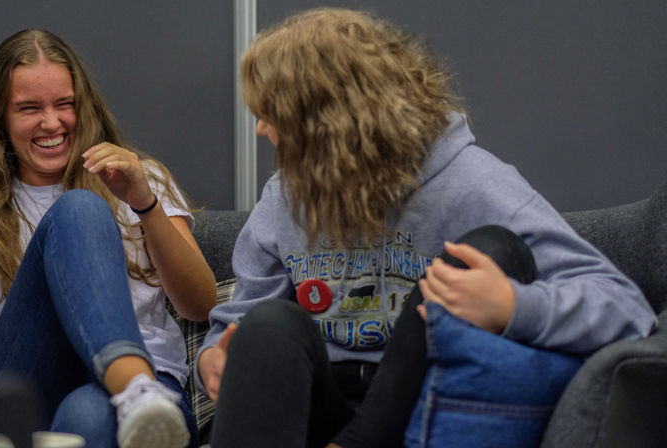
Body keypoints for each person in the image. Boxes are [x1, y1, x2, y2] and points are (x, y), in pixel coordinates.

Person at [196, 8, 657, 447]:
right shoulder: (283, 196)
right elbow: (236, 324)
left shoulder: (474, 185)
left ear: (328, 125)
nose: (260, 129)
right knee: (269, 324)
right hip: (320, 402)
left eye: (272, 112)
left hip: (419, 405)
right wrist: (213, 360)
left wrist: (514, 305)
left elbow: (626, 310)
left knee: (481, 252)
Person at [0, 29, 216, 448]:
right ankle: (135, 387)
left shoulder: (138, 180)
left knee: (87, 416)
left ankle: (137, 391)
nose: (51, 122)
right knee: (79, 210)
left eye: (64, 104)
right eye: (29, 108)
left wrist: (144, 202)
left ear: (83, 106)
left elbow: (200, 305)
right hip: (23, 387)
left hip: (153, 393)